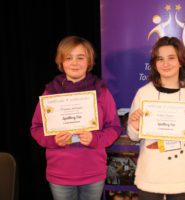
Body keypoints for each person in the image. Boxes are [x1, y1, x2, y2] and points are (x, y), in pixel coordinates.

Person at [31, 36, 122, 200]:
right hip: (60, 173)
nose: (74, 63)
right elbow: (36, 128)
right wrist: (54, 140)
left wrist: (95, 139)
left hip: (93, 172)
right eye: (68, 58)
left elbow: (114, 128)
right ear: (61, 62)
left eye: (80, 57)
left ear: (89, 61)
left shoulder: (101, 92)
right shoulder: (50, 93)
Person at [127, 36, 185, 200]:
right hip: (151, 174)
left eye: (171, 58)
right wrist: (134, 125)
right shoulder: (144, 93)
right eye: (160, 59)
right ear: (154, 63)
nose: (165, 64)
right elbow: (133, 137)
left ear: (180, 61)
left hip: (182, 174)